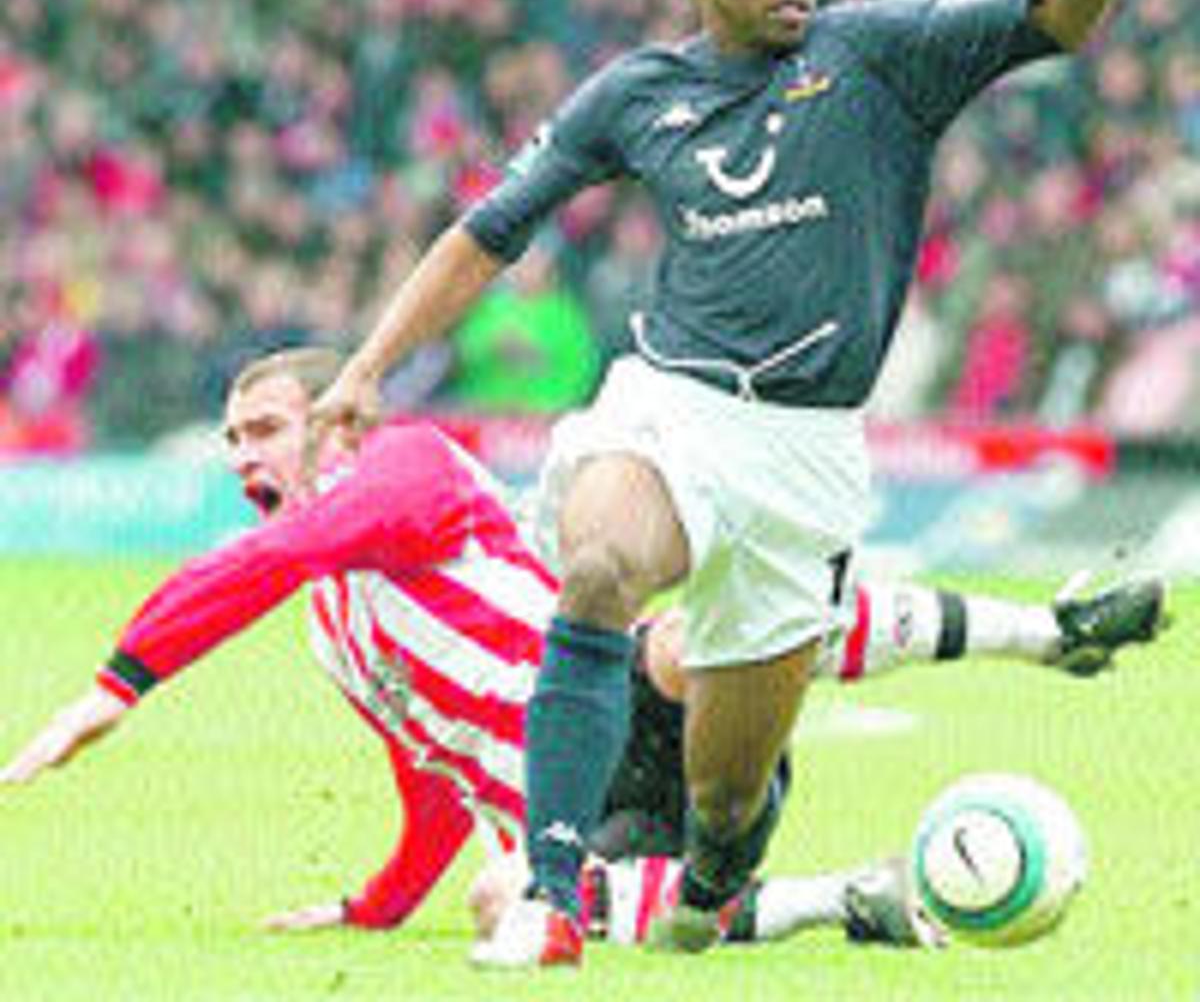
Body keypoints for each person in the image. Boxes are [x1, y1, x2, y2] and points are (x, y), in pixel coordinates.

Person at [309, 0, 1158, 966]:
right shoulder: (636, 94)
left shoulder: (881, 52)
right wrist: (366, 369)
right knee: (603, 561)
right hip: (673, 404)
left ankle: (710, 892)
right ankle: (548, 899)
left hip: (805, 458)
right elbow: (487, 233)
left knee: (723, 796)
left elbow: (1052, 14)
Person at [0, 346, 1162, 949]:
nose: (241, 453)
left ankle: (1048, 631)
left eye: (265, 428)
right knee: (498, 894)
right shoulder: (335, 622)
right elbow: (436, 782)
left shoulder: (401, 470)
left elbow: (269, 557)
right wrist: (372, 909)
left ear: (337, 417)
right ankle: (850, 902)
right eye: (229, 437)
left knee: (683, 636)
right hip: (594, 825)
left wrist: (121, 683)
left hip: (654, 713)